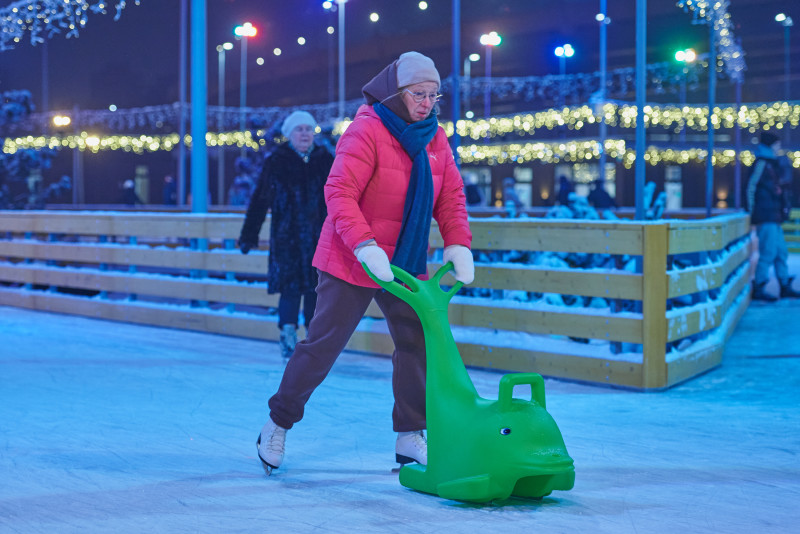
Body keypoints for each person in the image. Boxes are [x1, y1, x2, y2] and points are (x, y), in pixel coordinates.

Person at [255, 51, 474, 476]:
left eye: (433, 95)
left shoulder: (435, 138)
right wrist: (365, 247)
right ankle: (276, 424)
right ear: (396, 92)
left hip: (405, 259)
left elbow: (450, 196)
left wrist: (458, 244)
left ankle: (410, 434)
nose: (427, 103)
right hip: (351, 256)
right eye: (418, 94)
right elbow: (339, 193)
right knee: (324, 345)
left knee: (417, 342)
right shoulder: (367, 129)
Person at [238, 110, 335, 357]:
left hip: (319, 238)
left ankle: (313, 339)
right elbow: (260, 199)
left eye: (308, 129)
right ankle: (288, 334)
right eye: (299, 129)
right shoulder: (276, 161)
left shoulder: (326, 160)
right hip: (287, 238)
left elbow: (340, 198)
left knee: (316, 289)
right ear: (289, 134)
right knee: (290, 289)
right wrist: (249, 234)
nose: (304, 134)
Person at [745, 131, 799, 301]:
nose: (779, 147)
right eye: (777, 144)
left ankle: (784, 284)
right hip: (765, 215)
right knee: (768, 252)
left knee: (781, 251)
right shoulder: (762, 163)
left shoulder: (772, 163)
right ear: (771, 145)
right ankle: (759, 286)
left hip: (774, 216)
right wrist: (751, 211)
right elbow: (751, 186)